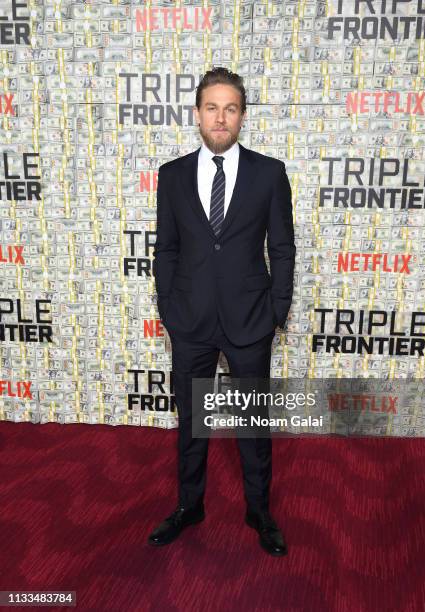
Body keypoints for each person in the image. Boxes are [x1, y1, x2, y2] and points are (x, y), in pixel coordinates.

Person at [148, 67, 295, 556]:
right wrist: (169, 306)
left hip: (250, 320)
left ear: (242, 116)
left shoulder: (269, 173)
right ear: (197, 113)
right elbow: (166, 248)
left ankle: (260, 509)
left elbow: (284, 247)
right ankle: (190, 506)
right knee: (192, 420)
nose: (220, 117)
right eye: (211, 107)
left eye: (230, 108)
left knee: (253, 424)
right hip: (189, 321)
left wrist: (276, 310)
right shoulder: (171, 176)